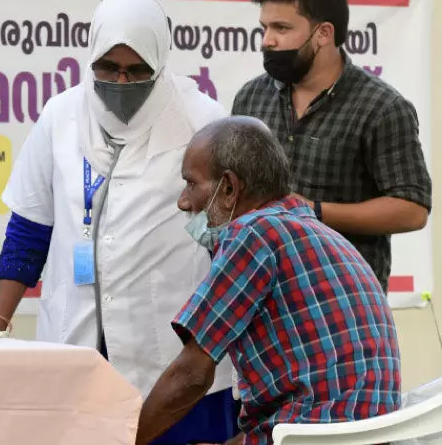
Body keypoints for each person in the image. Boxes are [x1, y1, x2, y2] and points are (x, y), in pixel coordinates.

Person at [0, 0, 238, 444]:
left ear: (161, 61)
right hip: (75, 343)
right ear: (91, 56)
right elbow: (29, 229)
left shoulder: (203, 119)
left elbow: (233, 236)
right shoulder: (60, 115)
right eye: (109, 68)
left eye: (137, 71)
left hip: (173, 354)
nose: (121, 82)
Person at [135, 116, 400, 445]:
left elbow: (191, 373)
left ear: (229, 188)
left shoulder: (253, 233)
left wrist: (125, 441)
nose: (184, 202)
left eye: (191, 183)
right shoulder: (319, 233)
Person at [231, 0, 432, 292]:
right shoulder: (251, 98)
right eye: (263, 28)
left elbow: (412, 210)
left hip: (341, 308)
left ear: (324, 33)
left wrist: (312, 211)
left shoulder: (381, 108)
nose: (267, 40)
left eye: (281, 28)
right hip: (262, 299)